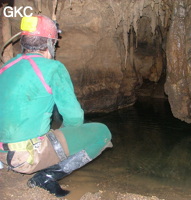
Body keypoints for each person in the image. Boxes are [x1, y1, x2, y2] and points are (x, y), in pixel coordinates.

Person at [0, 15, 112, 197]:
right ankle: (46, 177)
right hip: (25, 157)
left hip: (2, 154)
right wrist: (65, 139)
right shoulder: (53, 68)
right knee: (102, 132)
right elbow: (75, 118)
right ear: (51, 42)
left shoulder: (6, 67)